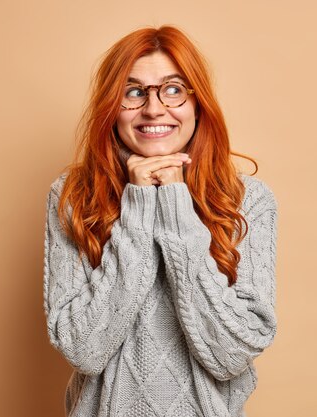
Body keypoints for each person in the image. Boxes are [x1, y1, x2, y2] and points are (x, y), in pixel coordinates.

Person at [43, 25, 278, 417]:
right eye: (133, 92)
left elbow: (232, 354)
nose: (153, 109)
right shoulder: (73, 195)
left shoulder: (248, 201)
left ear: (198, 103)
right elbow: (83, 349)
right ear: (110, 107)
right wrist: (138, 206)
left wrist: (173, 203)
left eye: (173, 89)